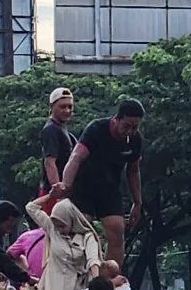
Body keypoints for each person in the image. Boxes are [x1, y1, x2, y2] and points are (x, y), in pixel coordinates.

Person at [55, 98, 145, 267]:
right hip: (84, 187)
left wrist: (137, 202)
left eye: (135, 127)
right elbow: (75, 158)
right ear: (116, 118)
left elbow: (133, 171)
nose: (130, 131)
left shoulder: (135, 139)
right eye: (126, 126)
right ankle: (80, 274)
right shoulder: (96, 129)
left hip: (110, 189)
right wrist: (65, 189)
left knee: (117, 230)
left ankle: (110, 280)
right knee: (82, 229)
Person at [40, 87, 78, 214]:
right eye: (62, 107)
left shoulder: (62, 129)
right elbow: (50, 162)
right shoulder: (51, 130)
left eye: (70, 107)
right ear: (52, 106)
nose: (67, 110)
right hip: (53, 194)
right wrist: (58, 193)